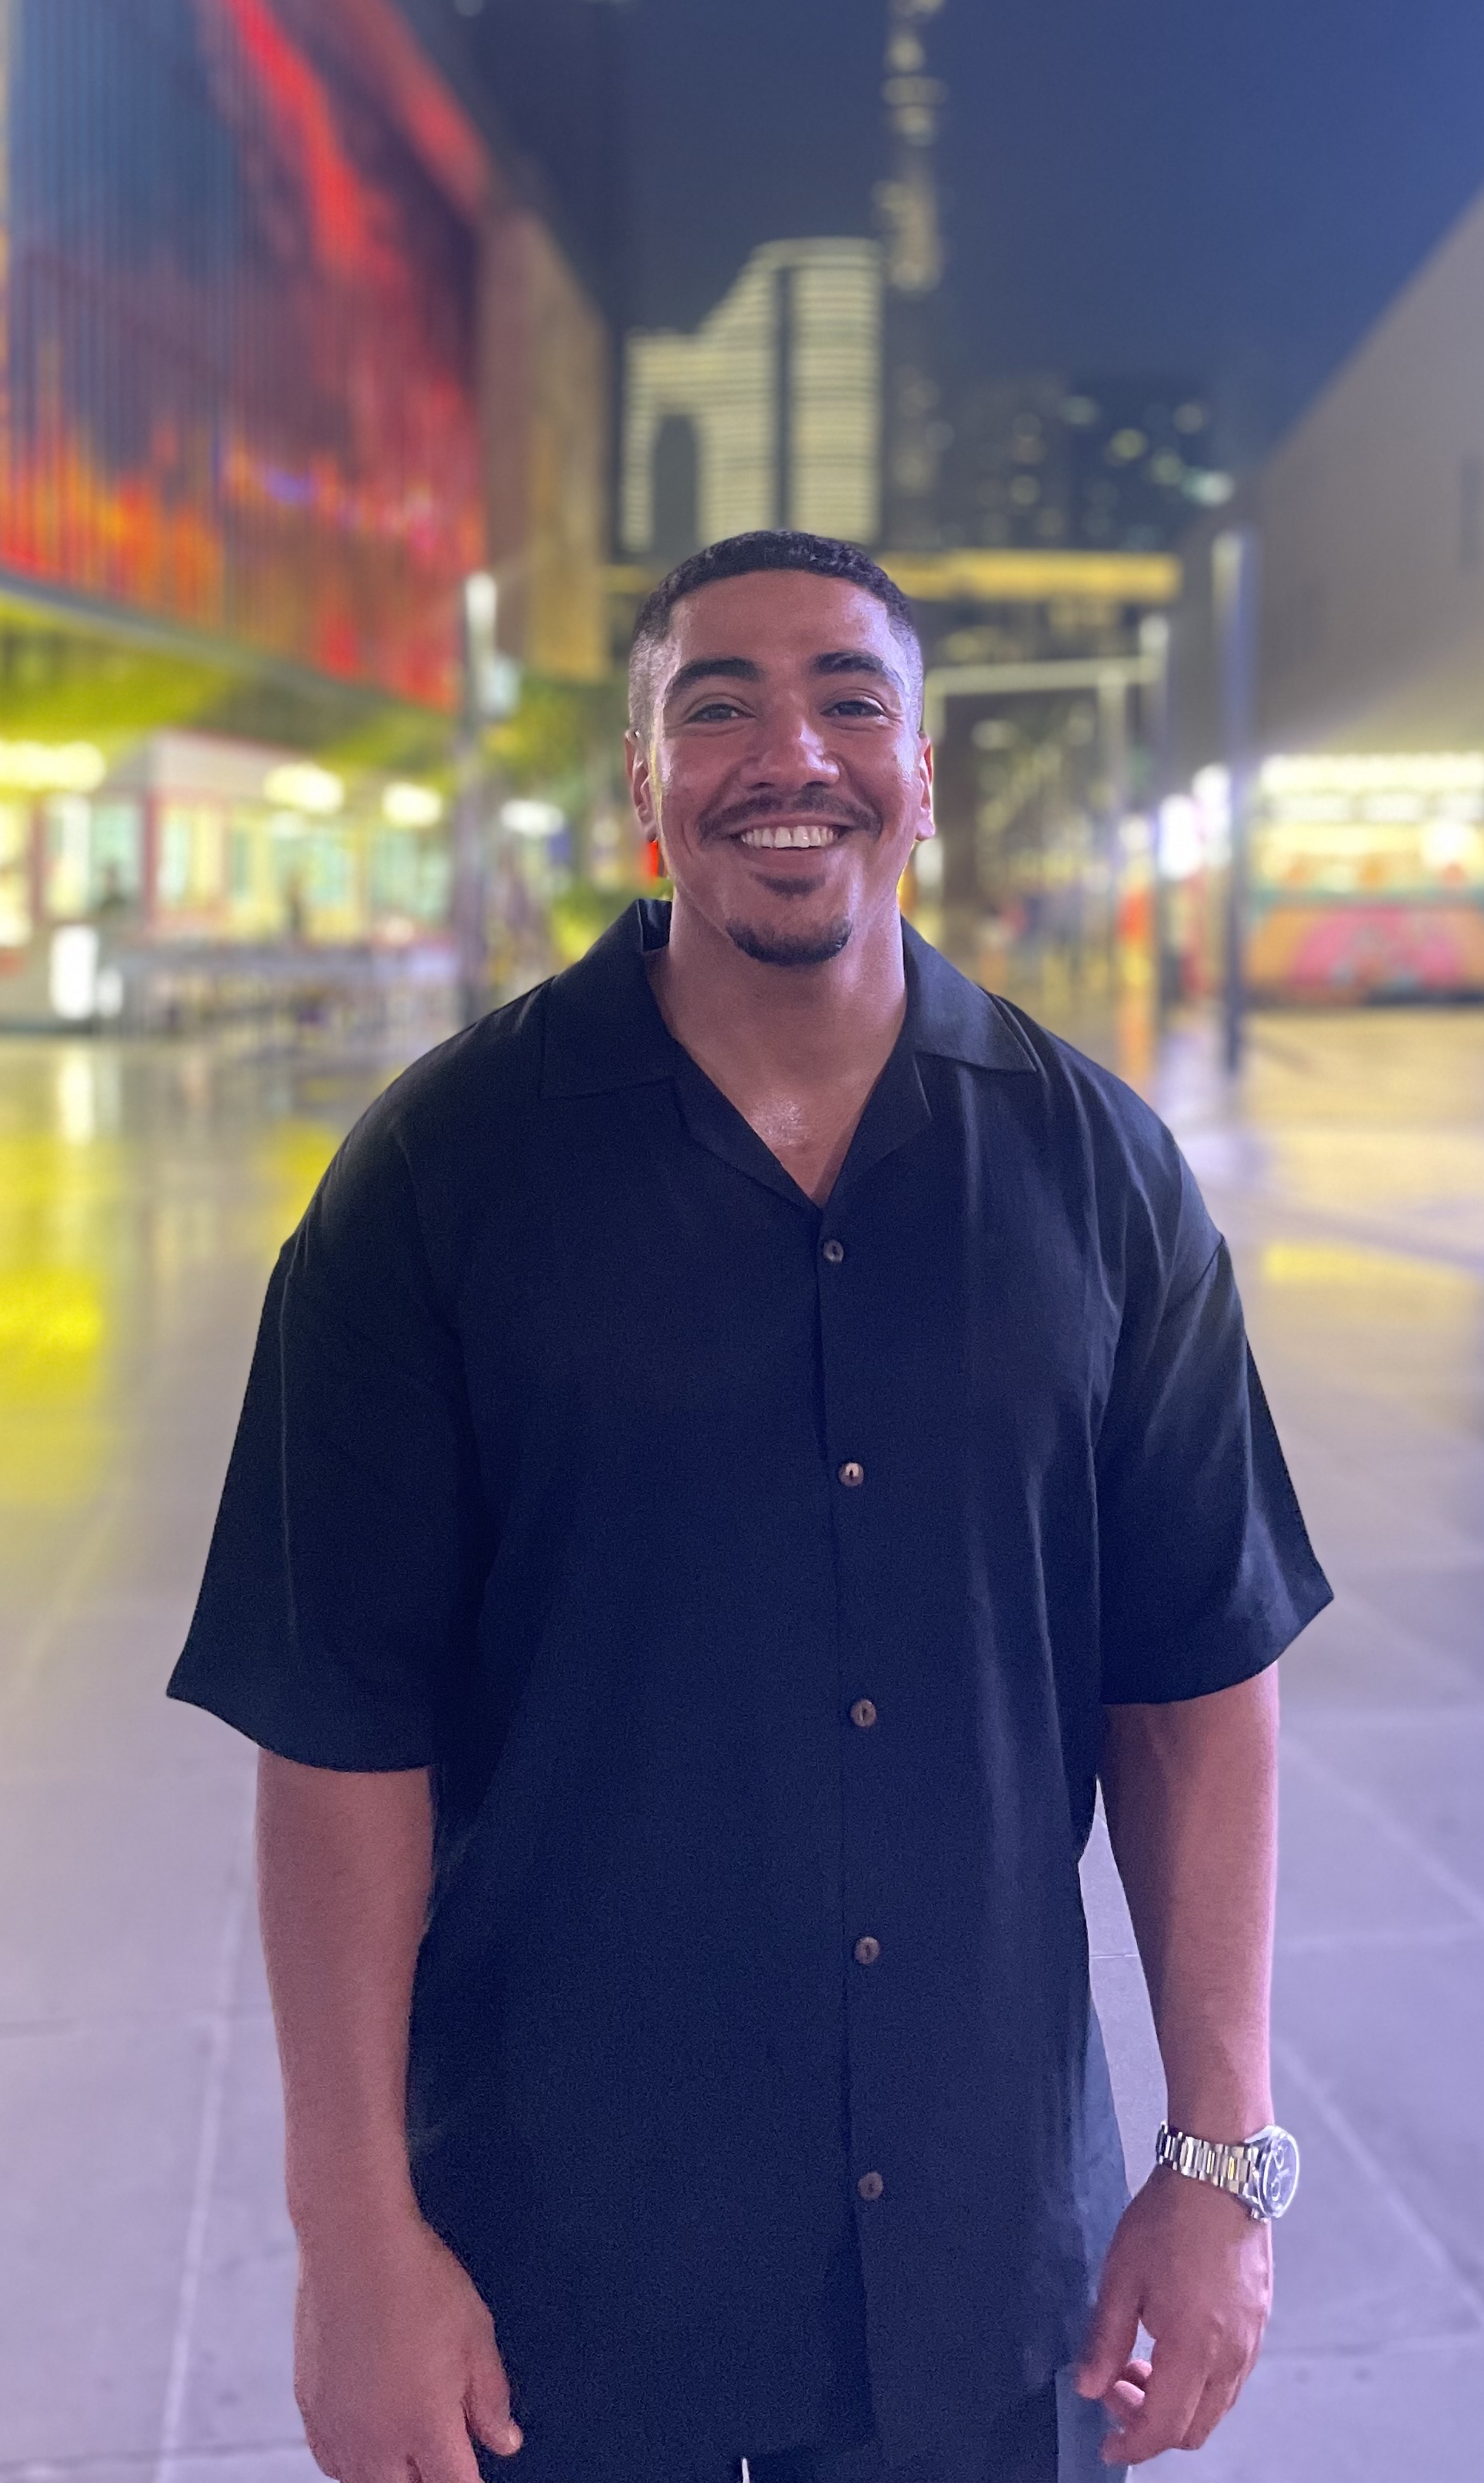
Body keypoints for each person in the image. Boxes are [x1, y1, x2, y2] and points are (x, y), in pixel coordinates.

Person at [168, 529, 1329, 2483]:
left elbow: (1197, 1682)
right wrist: (352, 2240)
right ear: (644, 782)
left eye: (849, 702)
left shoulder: (1098, 1173)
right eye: (717, 709)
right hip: (564, 2275)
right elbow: (342, 1737)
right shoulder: (442, 1178)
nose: (789, 755)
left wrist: (1222, 2163)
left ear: (923, 776)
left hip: (989, 2267)